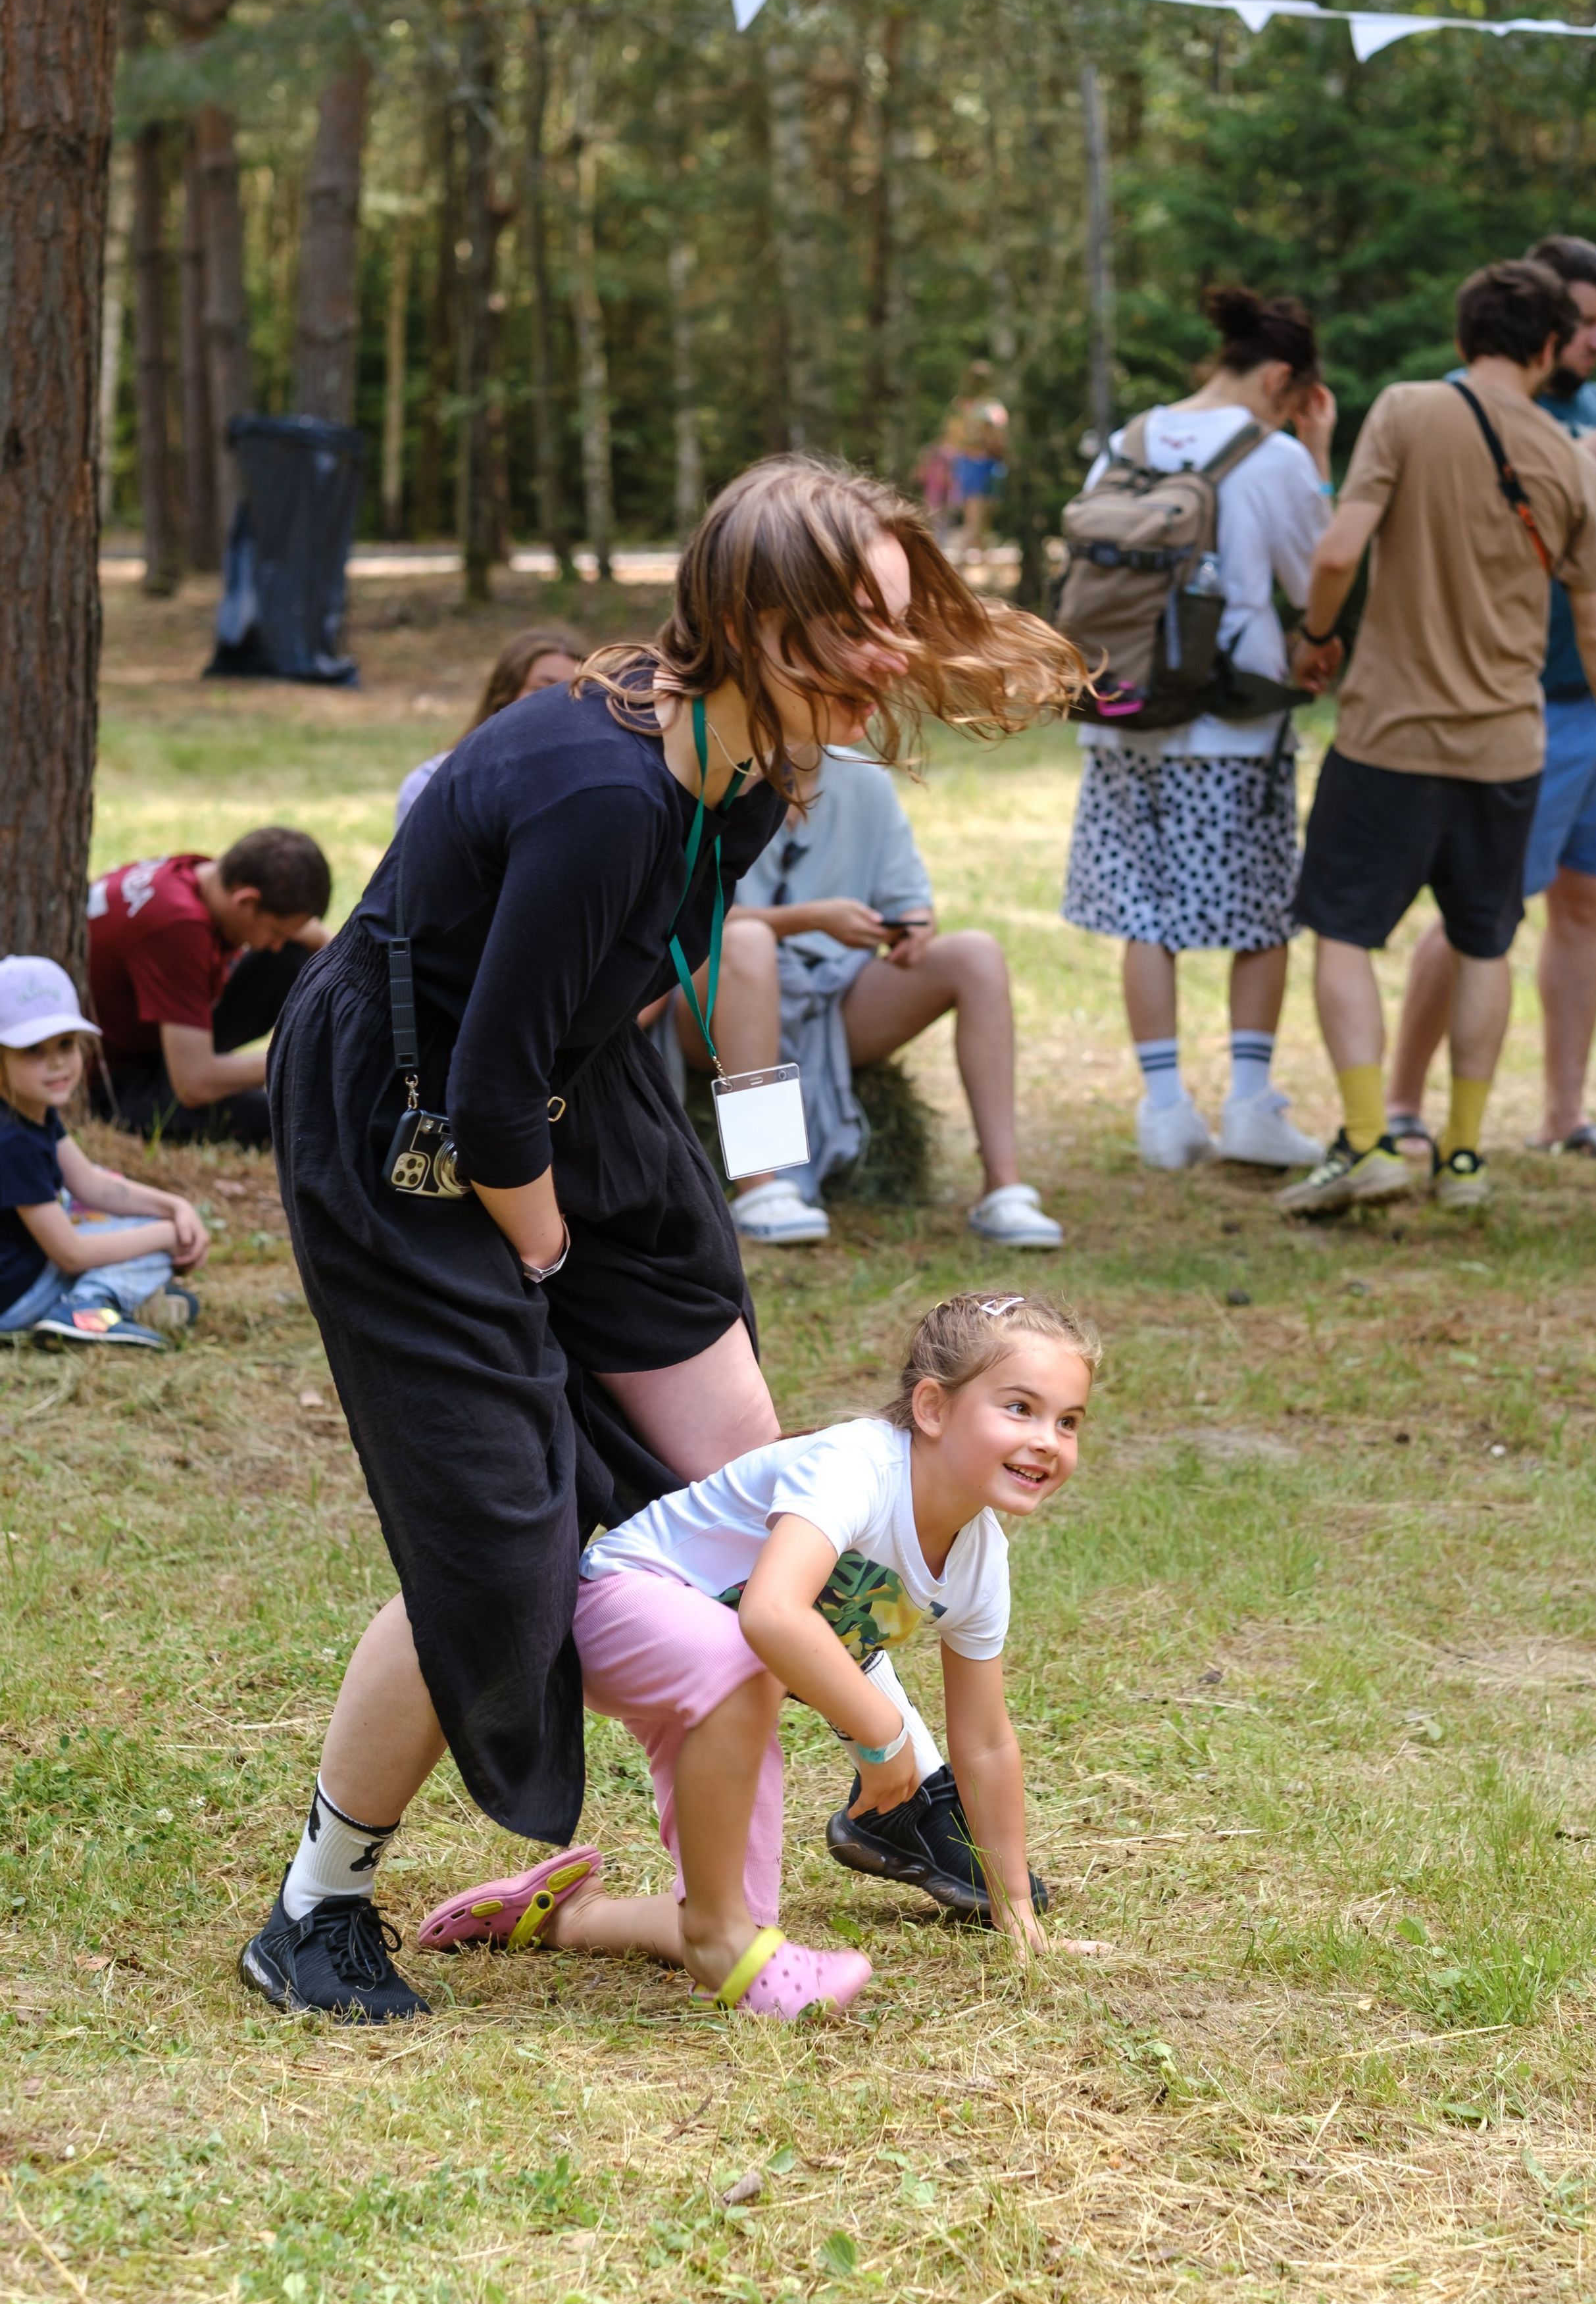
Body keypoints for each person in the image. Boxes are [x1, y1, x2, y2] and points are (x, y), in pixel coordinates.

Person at [241, 455, 1082, 2023]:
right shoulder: (599, 791)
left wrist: (711, 1166)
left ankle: (888, 1791)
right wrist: (547, 1271)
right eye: (861, 626)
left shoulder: (750, 773)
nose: (891, 659)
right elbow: (485, 1095)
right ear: (758, 623)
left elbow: (658, 982)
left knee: (743, 1455)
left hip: (572, 1083)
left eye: (900, 622)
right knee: (498, 1536)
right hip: (413, 1123)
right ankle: (315, 1907)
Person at [412, 1292, 1107, 2016]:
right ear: (932, 1408)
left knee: (744, 1931)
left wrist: (1016, 1912)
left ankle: (563, 1915)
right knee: (747, 1660)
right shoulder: (859, 1463)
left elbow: (986, 1743)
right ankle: (713, 1939)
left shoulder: (978, 1561)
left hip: (722, 1689)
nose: (1047, 1441)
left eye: (1068, 1422)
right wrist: (883, 1733)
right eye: (1019, 1409)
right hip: (616, 1604)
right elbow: (771, 1614)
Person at [1280, 259, 1596, 1218]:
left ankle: (1370, 1137)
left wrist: (1319, 637)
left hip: (1389, 736)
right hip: (1508, 750)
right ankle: (1461, 1156)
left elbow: (1339, 551)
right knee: (1485, 942)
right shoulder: (1577, 463)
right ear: (1548, 348)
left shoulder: (1410, 411)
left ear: (1464, 339)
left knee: (1342, 932)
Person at [1385, 238, 1596, 1158]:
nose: (1595, 341)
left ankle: (1563, 1114)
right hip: (1526, 696)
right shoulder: (1474, 405)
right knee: (1484, 905)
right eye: (1582, 322)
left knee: (1590, 906)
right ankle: (1400, 1105)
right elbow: (1561, 474)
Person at [1060, 284, 1336, 1174]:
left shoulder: (1128, 441)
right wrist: (1318, 456)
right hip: (1229, 718)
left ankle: (1165, 1108)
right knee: (1259, 913)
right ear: (1282, 379)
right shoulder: (1277, 456)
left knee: (1149, 910)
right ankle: (1251, 1102)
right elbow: (1313, 576)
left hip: (1124, 706)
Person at [664, 746, 1062, 1250]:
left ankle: (1003, 1188)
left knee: (976, 954)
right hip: (714, 1006)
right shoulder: (712, 768)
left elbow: (911, 900)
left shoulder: (863, 778)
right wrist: (808, 919)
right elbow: (681, 919)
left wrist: (913, 928)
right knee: (748, 943)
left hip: (834, 996)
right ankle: (761, 1188)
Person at [0, 957, 209, 1350]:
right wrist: (166, 1235)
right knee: (147, 1246)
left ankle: (117, 1303)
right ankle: (85, 1307)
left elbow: (93, 1186)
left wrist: (175, 1207)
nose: (58, 1062)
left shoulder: (31, 1112)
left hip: (26, 1275)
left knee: (138, 1230)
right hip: (12, 1299)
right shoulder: (13, 1143)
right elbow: (72, 1255)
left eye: (65, 1044)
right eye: (33, 1051)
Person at [86, 829, 332, 1149]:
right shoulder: (178, 929)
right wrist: (305, 1058)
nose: (275, 944)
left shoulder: (201, 875)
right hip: (115, 1082)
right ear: (246, 901)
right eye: (275, 932)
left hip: (156, 1041)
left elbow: (313, 936)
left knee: (290, 960)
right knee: (295, 1122)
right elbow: (193, 1084)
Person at [395, 626, 586, 827]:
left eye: (572, 694)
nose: (559, 705)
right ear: (505, 694)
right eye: (541, 689)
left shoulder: (590, 786)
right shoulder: (432, 787)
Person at [943, 361, 1009, 560]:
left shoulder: (962, 406)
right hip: (978, 463)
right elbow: (999, 437)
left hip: (973, 462)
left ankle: (977, 559)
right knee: (977, 516)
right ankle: (961, 566)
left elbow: (951, 438)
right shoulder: (988, 408)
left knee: (978, 516)